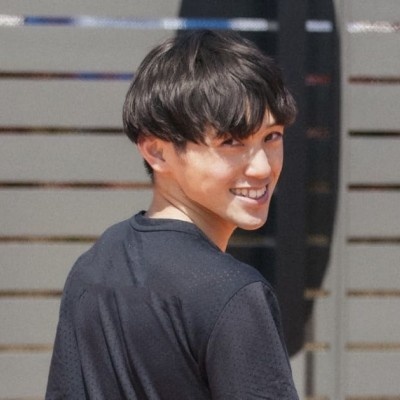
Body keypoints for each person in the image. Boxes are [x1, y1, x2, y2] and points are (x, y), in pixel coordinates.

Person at [46, 30, 299, 399]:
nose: (262, 167)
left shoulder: (92, 268)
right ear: (157, 151)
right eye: (231, 142)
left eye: (272, 136)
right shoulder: (233, 294)